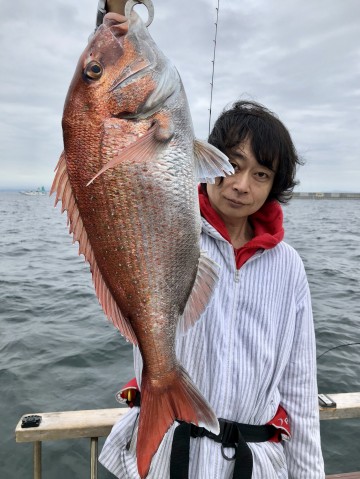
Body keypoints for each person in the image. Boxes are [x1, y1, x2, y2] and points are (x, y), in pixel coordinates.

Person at [96, 2, 325, 478]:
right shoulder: (168, 225)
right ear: (207, 155)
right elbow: (101, 126)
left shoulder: (289, 267)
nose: (242, 184)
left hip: (254, 464)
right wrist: (110, 15)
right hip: (166, 458)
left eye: (261, 174)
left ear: (273, 186)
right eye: (234, 163)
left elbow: (300, 389)